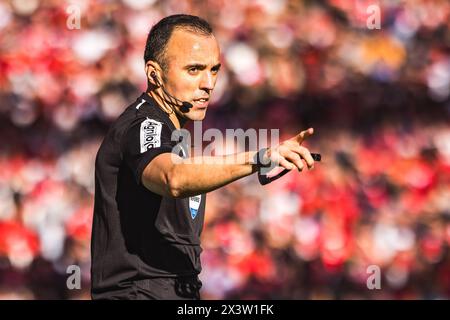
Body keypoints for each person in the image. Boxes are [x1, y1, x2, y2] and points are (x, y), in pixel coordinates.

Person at [91, 14, 316, 300]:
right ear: (154, 74)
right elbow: (172, 178)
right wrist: (259, 157)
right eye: (194, 70)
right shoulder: (143, 126)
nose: (208, 84)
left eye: (214, 70)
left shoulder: (177, 135)